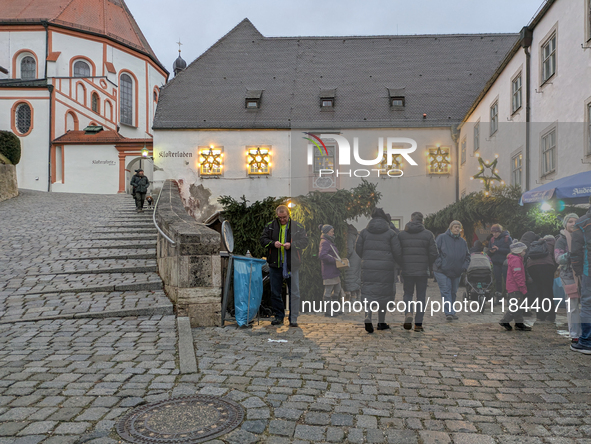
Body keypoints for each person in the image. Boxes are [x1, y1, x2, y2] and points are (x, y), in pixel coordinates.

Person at [260, 205, 309, 327]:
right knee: (275, 292)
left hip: (292, 264)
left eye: (284, 217)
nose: (282, 219)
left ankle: (293, 319)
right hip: (275, 264)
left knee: (295, 293)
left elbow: (305, 242)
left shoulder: (297, 226)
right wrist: (272, 243)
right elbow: (262, 240)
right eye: (280, 217)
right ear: (277, 216)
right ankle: (279, 317)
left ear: (289, 214)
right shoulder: (270, 226)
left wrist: (291, 245)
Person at [355, 207, 402, 333]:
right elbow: (397, 252)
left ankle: (368, 316)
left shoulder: (364, 232)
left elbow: (358, 249)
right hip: (386, 268)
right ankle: (381, 322)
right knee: (383, 294)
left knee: (369, 292)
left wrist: (366, 258)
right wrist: (396, 263)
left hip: (368, 266)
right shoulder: (391, 233)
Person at [398, 211, 438, 332]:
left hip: (407, 270)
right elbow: (434, 253)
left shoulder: (402, 235)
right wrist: (427, 263)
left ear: (411, 220)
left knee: (408, 294)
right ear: (422, 221)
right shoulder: (428, 234)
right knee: (421, 297)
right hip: (422, 271)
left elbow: (397, 252)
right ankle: (418, 324)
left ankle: (408, 313)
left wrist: (402, 264)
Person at [433, 220, 471, 321]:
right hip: (442, 271)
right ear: (450, 228)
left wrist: (463, 267)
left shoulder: (462, 242)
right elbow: (435, 251)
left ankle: (451, 310)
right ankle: (449, 312)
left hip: (456, 271)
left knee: (453, 292)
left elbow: (467, 256)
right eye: (455, 227)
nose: (457, 229)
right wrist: (440, 264)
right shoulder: (442, 238)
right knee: (446, 291)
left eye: (459, 227)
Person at [555, 213, 582, 343]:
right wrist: (571, 254)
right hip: (568, 276)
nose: (572, 223)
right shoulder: (561, 240)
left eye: (575, 221)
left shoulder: (582, 237)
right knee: (573, 305)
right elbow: (558, 259)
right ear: (565, 224)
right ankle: (575, 334)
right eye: (570, 221)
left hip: (583, 275)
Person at [570, 198, 591, 354]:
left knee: (587, 304)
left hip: (588, 269)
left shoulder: (582, 223)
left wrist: (577, 270)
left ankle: (586, 341)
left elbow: (576, 252)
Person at [499, 241, 532, 331]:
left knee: (518, 306)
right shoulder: (516, 260)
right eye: (524, 251)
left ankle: (519, 323)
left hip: (513, 287)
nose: (525, 252)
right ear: (519, 251)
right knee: (516, 306)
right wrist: (522, 287)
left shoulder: (515, 259)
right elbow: (518, 275)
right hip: (515, 288)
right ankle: (505, 320)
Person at [527, 234, 557, 323]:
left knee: (538, 290)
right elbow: (556, 257)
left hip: (532, 266)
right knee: (547, 290)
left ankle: (539, 316)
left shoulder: (537, 243)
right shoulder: (553, 242)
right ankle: (550, 315)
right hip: (546, 266)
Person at [318, 224, 342, 317]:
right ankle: (328, 311)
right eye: (332, 231)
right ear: (327, 232)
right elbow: (322, 255)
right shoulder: (325, 242)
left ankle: (335, 309)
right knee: (328, 291)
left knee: (337, 289)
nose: (333, 233)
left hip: (334, 270)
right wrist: (334, 260)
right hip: (329, 270)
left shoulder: (329, 241)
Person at [487, 224, 512, 302]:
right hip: (496, 262)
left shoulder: (507, 238)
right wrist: (491, 251)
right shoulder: (492, 239)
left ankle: (509, 298)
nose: (494, 234)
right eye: (493, 233)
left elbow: (510, 251)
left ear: (500, 232)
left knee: (507, 280)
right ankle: (499, 298)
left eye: (496, 232)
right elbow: (488, 251)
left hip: (505, 262)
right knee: (497, 280)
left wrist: (499, 249)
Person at [344, 224, 362, 302]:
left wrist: (344, 257)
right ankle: (358, 297)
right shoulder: (356, 234)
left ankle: (353, 298)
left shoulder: (348, 236)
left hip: (351, 260)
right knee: (356, 277)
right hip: (357, 258)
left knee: (350, 278)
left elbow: (349, 249)